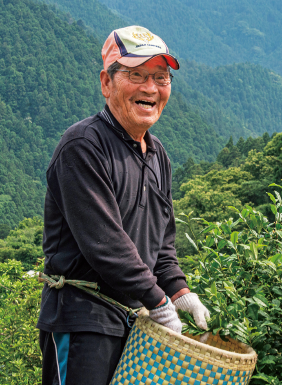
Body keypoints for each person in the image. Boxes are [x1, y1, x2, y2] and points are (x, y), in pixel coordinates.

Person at [37, 26, 210, 385]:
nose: (151, 88)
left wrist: (179, 292)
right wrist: (158, 302)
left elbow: (161, 243)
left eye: (161, 78)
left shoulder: (157, 153)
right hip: (82, 320)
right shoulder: (84, 147)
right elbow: (106, 245)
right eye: (136, 75)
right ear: (107, 83)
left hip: (133, 319)